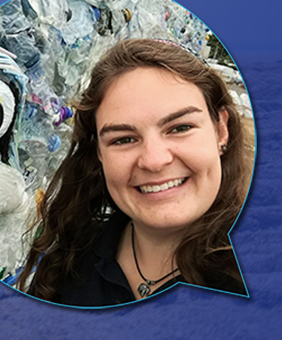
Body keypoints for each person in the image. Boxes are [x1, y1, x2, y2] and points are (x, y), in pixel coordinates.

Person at [19, 39, 251, 306]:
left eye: (180, 128)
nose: (154, 161)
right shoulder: (71, 259)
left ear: (221, 130)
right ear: (99, 153)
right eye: (123, 139)